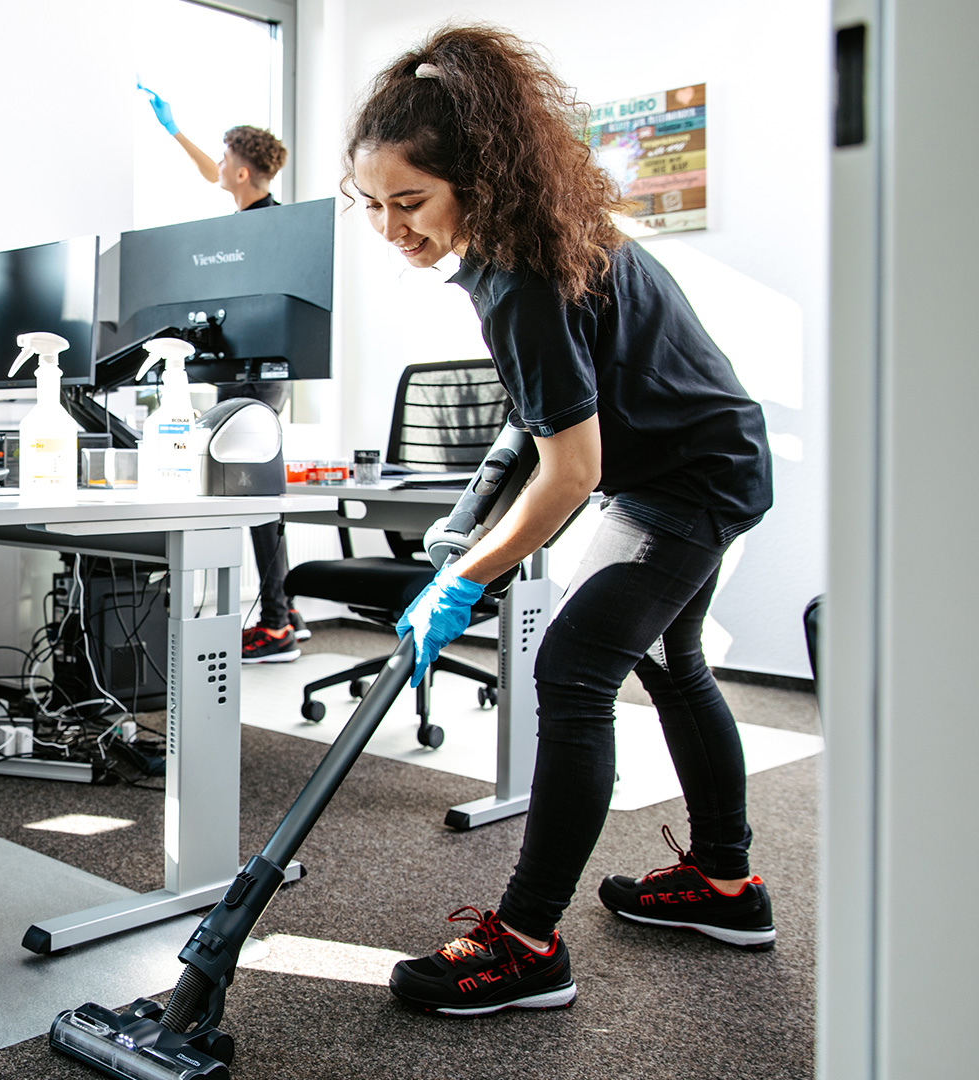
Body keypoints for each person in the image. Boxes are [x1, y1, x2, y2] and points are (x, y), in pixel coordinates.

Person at [342, 27, 775, 1016]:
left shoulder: (518, 277)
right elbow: (538, 424)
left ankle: (528, 943)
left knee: (573, 669)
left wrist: (460, 581)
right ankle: (724, 886)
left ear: (471, 181)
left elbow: (569, 472)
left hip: (686, 481)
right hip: (693, 460)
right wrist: (465, 537)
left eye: (411, 202)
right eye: (371, 204)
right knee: (671, 660)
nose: (391, 226)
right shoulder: (525, 245)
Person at [140, 87, 306, 661]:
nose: (216, 169)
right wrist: (173, 131)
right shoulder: (245, 217)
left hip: (259, 374)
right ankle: (286, 610)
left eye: (223, 161)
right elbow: (212, 169)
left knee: (247, 490)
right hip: (240, 369)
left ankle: (278, 620)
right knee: (246, 489)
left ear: (241, 170)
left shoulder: (271, 226)